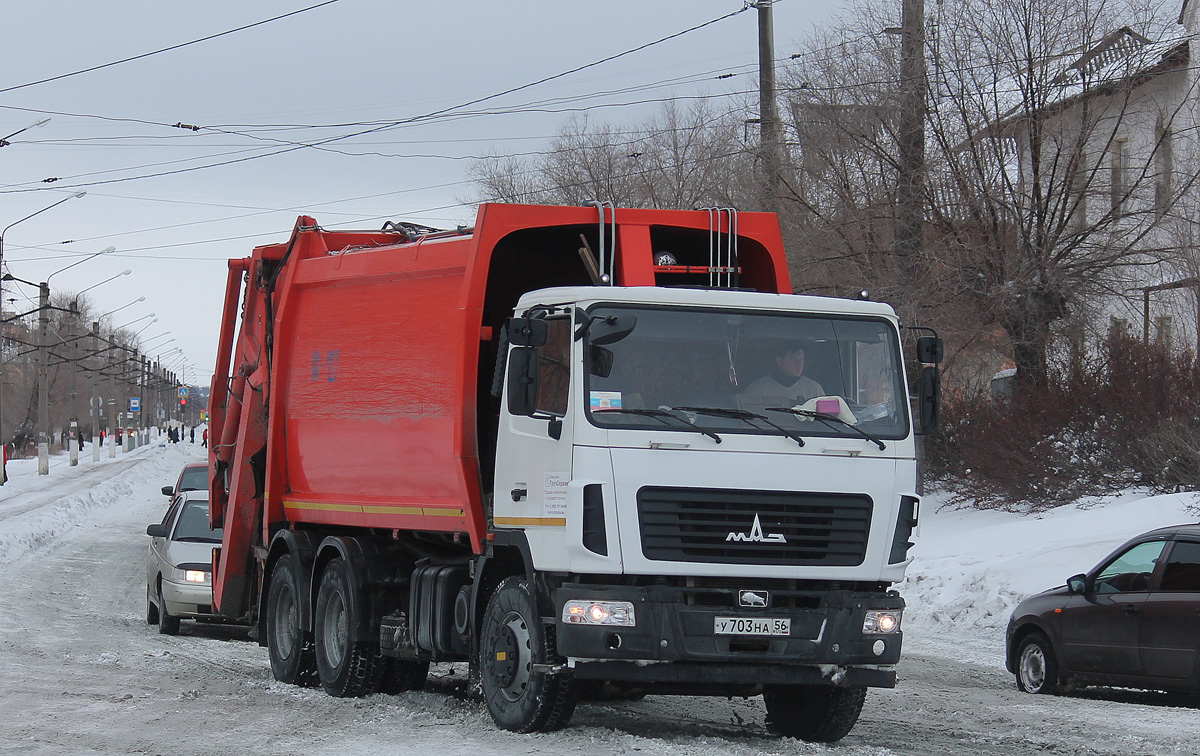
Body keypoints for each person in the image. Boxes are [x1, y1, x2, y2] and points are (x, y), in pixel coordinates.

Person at [741, 341, 825, 405]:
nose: (799, 364)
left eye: (801, 359)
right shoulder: (757, 391)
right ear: (779, 361)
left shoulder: (814, 390)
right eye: (794, 359)